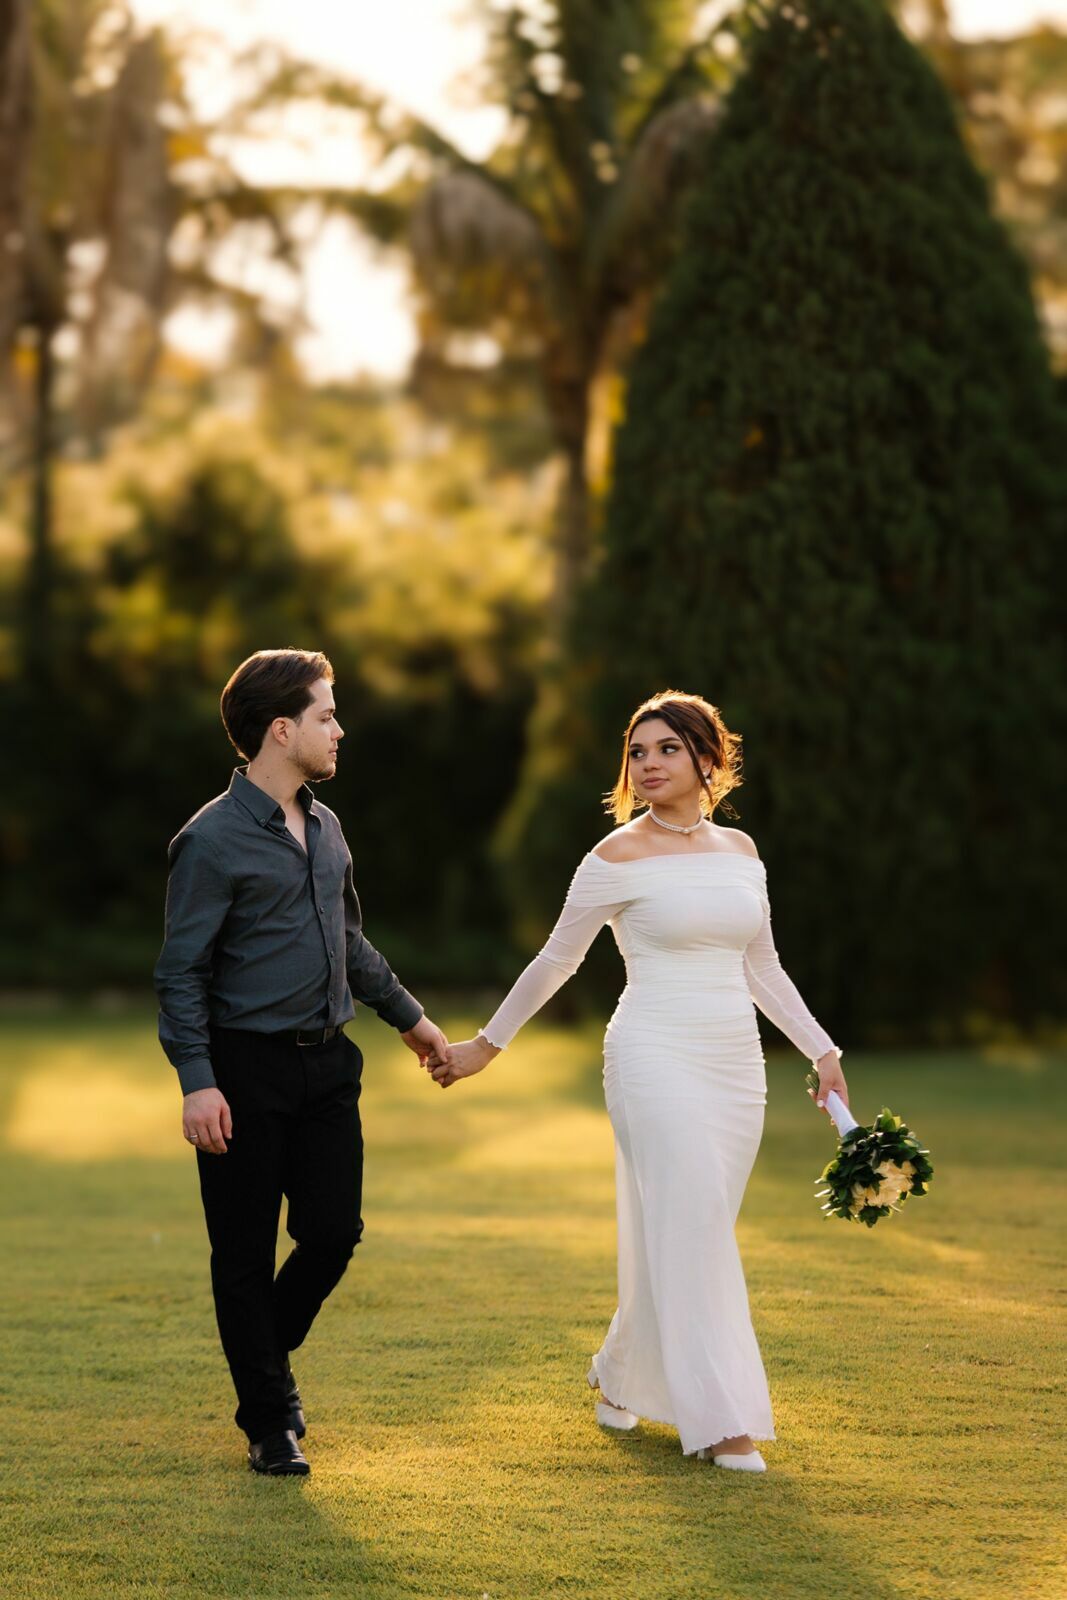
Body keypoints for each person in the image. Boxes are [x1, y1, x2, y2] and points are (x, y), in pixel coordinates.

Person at [431, 689, 847, 1473]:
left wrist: (821, 1051)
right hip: (651, 1055)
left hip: (733, 1065)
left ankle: (618, 1373)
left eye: (665, 749)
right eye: (636, 752)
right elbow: (557, 959)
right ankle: (722, 1421)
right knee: (691, 1228)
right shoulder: (614, 857)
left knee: (692, 1228)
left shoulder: (742, 853)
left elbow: (762, 966)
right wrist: (487, 1045)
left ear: (706, 759)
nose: (647, 764)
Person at [154, 648, 450, 1477]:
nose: (338, 728)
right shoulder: (208, 841)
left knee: (332, 1233)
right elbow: (181, 973)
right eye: (326, 715)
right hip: (243, 1073)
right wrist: (198, 1080)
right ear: (281, 731)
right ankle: (269, 1421)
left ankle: (259, 1366)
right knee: (243, 1253)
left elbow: (348, 942)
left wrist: (412, 1021)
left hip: (329, 1067)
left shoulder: (325, 829)